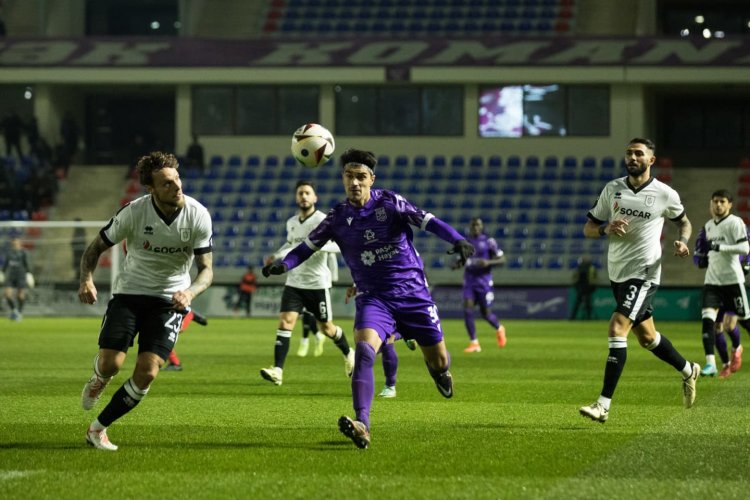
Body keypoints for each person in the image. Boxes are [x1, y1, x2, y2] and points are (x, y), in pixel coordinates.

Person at [262, 149, 475, 448]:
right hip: (373, 298)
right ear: (342, 179)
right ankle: (362, 422)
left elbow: (429, 221)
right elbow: (306, 248)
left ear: (371, 179)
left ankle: (438, 370)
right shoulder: (337, 217)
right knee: (363, 351)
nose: (355, 183)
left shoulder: (391, 202)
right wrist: (283, 264)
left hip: (413, 294)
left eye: (361, 177)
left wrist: (458, 239)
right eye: (349, 176)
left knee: (439, 361)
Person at [78, 151, 213, 451]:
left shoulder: (198, 214)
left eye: (177, 179)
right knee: (111, 363)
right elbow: (95, 247)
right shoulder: (134, 213)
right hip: (129, 295)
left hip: (170, 301)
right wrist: (86, 278)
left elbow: (206, 271)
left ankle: (98, 429)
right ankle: (100, 377)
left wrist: (190, 292)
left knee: (148, 371)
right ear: (151, 189)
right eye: (167, 183)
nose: (177, 187)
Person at [578, 137, 699, 424]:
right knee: (647, 338)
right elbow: (589, 228)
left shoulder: (664, 193)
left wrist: (683, 241)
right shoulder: (613, 189)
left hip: (644, 272)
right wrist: (606, 228)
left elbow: (684, 221)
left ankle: (603, 405)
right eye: (629, 153)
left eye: (638, 153)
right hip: (617, 273)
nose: (632, 157)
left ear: (651, 160)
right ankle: (688, 369)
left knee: (617, 327)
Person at [259, 180, 355, 386]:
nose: (303, 196)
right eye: (300, 193)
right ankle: (278, 370)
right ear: (296, 197)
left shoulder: (323, 220)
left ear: (315, 198)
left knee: (326, 329)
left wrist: (316, 247)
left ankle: (349, 353)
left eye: (307, 193)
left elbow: (341, 246)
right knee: (286, 322)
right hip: (294, 282)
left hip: (317, 284)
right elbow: (292, 244)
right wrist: (276, 256)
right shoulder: (292, 222)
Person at [692, 190, 748, 378]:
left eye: (722, 201)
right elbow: (706, 253)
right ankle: (711, 364)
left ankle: (736, 349)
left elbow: (744, 248)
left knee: (744, 321)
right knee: (709, 321)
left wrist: (720, 247)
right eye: (715, 201)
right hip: (712, 282)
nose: (718, 205)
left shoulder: (735, 222)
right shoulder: (708, 226)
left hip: (733, 281)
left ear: (729, 204)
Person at [454, 217, 507, 353]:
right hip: (469, 281)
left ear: (482, 226)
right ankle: (474, 342)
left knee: (485, 313)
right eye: (473, 225)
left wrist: (488, 262)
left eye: (478, 225)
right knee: (467, 309)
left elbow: (502, 259)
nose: (476, 227)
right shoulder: (466, 242)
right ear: (471, 226)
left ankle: (499, 328)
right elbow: (463, 259)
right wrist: (457, 264)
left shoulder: (489, 242)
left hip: (484, 281)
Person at [297, 252, 337, 357]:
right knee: (306, 311)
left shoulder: (325, 245)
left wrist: (333, 280)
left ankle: (310, 339)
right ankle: (308, 339)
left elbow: (332, 260)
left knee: (314, 313)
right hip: (306, 281)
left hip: (322, 284)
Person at [162, 307, 209, 371]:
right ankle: (174, 363)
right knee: (162, 337)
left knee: (164, 337)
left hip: (175, 313)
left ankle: (175, 363)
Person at [3, 237, 31, 321]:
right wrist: (2, 272)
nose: (14, 244)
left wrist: (29, 274)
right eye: (13, 243)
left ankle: (19, 313)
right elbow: (5, 265)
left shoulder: (23, 253)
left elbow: (26, 264)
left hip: (20, 275)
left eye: (16, 243)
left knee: (20, 295)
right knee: (7, 295)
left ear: (19, 243)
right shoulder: (9, 253)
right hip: (11, 276)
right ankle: (14, 311)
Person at [570, 255, 597, 320]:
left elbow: (574, 278)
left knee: (579, 304)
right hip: (586, 288)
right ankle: (588, 317)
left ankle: (573, 318)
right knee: (586, 304)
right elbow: (594, 278)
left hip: (583, 288)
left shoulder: (579, 268)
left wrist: (576, 286)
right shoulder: (591, 268)